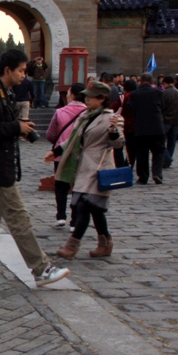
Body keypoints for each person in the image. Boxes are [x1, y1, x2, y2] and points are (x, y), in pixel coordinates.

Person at [0, 49, 70, 285]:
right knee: (19, 218)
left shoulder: (3, 93)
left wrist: (19, 126)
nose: (23, 75)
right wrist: (16, 128)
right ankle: (41, 268)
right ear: (7, 70)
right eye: (21, 70)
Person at [46, 81, 123, 259]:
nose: (86, 99)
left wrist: (113, 130)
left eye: (90, 97)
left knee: (84, 206)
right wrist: (55, 151)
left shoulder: (111, 118)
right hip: (83, 167)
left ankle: (71, 246)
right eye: (86, 96)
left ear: (101, 99)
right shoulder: (85, 116)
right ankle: (105, 242)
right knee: (95, 209)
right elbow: (74, 139)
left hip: (98, 169)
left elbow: (118, 143)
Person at [45, 83, 87, 227]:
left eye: (68, 93)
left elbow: (50, 134)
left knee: (61, 185)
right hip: (80, 154)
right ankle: (75, 220)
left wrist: (58, 141)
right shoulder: (88, 114)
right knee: (78, 187)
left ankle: (61, 216)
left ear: (73, 95)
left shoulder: (60, 112)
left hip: (60, 154)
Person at [129, 73, 166, 185]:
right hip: (156, 127)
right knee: (158, 152)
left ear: (140, 81)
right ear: (151, 81)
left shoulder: (135, 94)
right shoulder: (158, 92)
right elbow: (163, 106)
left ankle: (143, 177)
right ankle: (157, 173)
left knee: (142, 153)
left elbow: (131, 107)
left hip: (141, 128)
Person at [161, 76, 178, 169]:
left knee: (160, 141)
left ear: (165, 83)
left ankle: (167, 158)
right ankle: (167, 159)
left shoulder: (163, 93)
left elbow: (161, 107)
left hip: (165, 120)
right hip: (176, 121)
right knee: (172, 142)